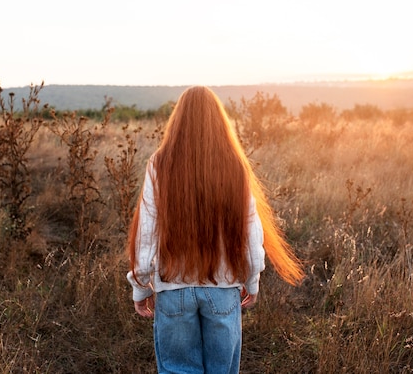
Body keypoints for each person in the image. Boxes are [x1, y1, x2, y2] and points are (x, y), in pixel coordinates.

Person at [127, 86, 304, 373]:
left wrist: (139, 286)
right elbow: (251, 232)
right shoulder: (235, 166)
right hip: (223, 290)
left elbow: (147, 233)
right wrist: (252, 279)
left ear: (178, 120)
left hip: (173, 291)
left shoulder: (160, 164)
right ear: (218, 120)